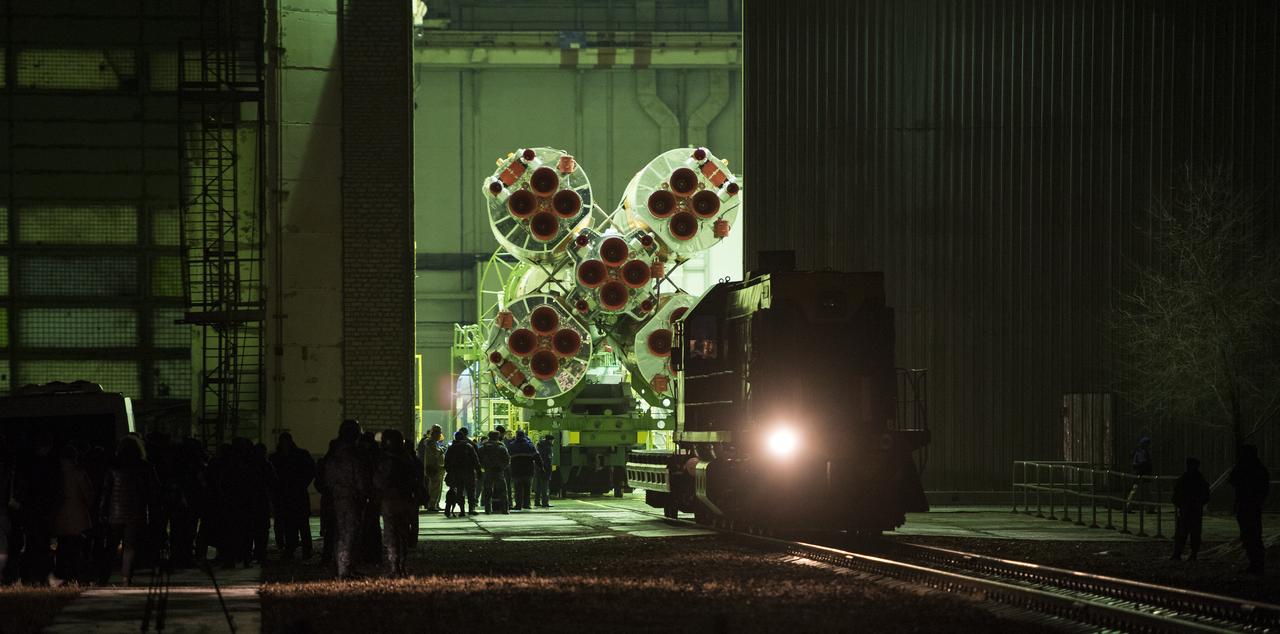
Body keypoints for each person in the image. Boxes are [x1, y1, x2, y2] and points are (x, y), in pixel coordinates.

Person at [98, 436, 158, 586]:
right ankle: (126, 578)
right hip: (136, 511)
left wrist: (102, 511)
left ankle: (103, 577)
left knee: (111, 546)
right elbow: (153, 491)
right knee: (129, 546)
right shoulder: (145, 466)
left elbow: (106, 492)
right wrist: (152, 510)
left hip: (115, 512)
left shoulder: (114, 467)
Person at [321, 419, 373, 579]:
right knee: (349, 534)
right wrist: (365, 493)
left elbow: (326, 477)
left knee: (341, 534)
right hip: (351, 498)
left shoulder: (333, 453)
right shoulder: (352, 454)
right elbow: (360, 478)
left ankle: (345, 568)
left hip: (338, 497)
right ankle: (345, 571)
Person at [373, 430, 419, 577]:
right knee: (403, 533)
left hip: (390, 501)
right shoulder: (407, 458)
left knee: (391, 534)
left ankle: (394, 567)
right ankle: (402, 566)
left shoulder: (385, 460)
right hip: (406, 499)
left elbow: (379, 481)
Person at [270, 432, 316, 560]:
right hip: (293, 494)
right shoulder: (300, 455)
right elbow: (311, 470)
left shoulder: (278, 457)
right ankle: (299, 549)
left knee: (296, 524)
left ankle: (297, 549)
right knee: (296, 524)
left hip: (291, 495)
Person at [52, 444, 93, 584]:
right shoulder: (79, 472)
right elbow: (87, 493)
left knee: (63, 546)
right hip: (78, 515)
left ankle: (62, 574)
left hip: (60, 515)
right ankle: (76, 575)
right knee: (77, 546)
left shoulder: (56, 473)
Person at [1229, 444, 1270, 574]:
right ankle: (1257, 563)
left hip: (1245, 505)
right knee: (1253, 535)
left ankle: (1256, 563)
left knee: (1249, 535)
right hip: (1253, 506)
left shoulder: (1244, 468)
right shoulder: (1260, 469)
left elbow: (1232, 479)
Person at [1170, 457, 1210, 561]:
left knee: (1181, 532)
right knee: (1195, 533)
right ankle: (1193, 554)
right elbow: (1206, 495)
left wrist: (1181, 504)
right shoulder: (1200, 479)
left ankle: (1177, 553)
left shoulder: (1184, 478)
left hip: (1185, 509)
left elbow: (1176, 495)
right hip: (1196, 509)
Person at [444, 430, 480, 517]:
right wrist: (478, 471)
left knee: (460, 491)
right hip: (469, 472)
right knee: (471, 491)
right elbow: (475, 459)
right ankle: (471, 509)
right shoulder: (468, 446)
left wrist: (449, 471)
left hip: (456, 473)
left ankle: (462, 510)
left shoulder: (451, 448)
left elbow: (447, 461)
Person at [478, 431, 510, 514]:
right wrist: (502, 467)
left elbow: (478, 458)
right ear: (498, 436)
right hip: (499, 472)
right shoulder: (501, 446)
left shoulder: (483, 447)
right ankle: (505, 509)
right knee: (503, 491)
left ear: (489, 436)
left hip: (488, 471)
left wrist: (483, 467)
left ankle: (488, 510)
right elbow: (507, 459)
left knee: (487, 491)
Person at [507, 430, 540, 511]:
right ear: (524, 436)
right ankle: (526, 504)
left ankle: (518, 505)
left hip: (516, 471)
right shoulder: (530, 446)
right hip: (528, 471)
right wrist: (541, 466)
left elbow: (507, 457)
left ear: (516, 436)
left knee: (517, 489)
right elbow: (537, 457)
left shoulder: (511, 446)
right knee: (527, 489)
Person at [420, 426, 446, 513]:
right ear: (434, 433)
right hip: (434, 468)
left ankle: (435, 504)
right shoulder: (431, 443)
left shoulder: (434, 442)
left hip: (438, 468)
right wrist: (442, 450)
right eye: (439, 432)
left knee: (437, 487)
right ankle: (432, 505)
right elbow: (436, 453)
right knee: (434, 487)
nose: (440, 434)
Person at [535, 434, 554, 508]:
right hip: (545, 469)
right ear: (550, 440)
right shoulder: (548, 447)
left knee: (538, 486)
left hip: (538, 468)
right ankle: (545, 502)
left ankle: (537, 502)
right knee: (545, 487)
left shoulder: (539, 445)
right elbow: (548, 460)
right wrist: (548, 469)